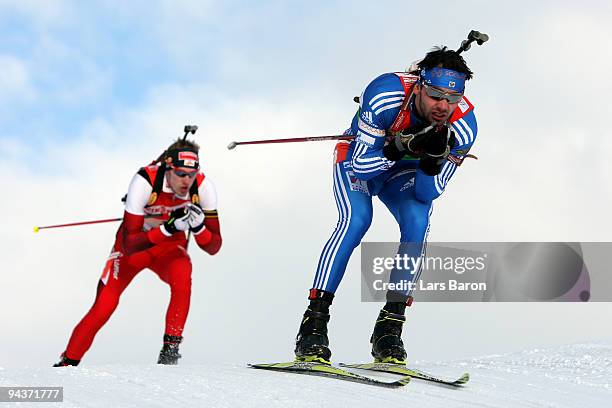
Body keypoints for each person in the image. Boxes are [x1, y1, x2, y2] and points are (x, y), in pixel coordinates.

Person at [294, 46, 478, 365]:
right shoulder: (385, 94)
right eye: (435, 95)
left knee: (418, 222)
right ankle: (314, 323)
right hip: (361, 157)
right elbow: (362, 167)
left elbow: (427, 194)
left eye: (453, 98)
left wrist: (432, 162)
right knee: (357, 220)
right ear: (419, 85)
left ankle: (389, 329)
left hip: (405, 173)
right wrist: (397, 146)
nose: (443, 106)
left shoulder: (463, 127)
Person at [54, 138, 222, 366]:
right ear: (168, 167)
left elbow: (213, 247)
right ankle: (67, 362)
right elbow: (131, 242)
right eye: (181, 174)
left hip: (168, 249)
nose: (186, 181)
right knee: (104, 306)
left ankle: (170, 351)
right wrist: (169, 227)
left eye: (191, 174)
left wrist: (200, 227)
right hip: (133, 250)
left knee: (183, 273)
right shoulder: (145, 180)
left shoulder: (203, 187)